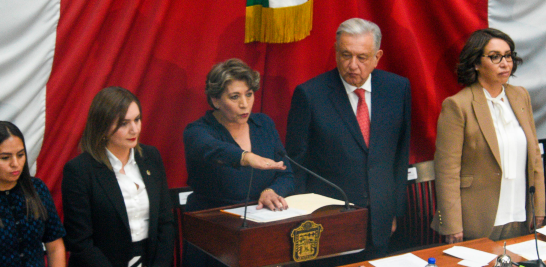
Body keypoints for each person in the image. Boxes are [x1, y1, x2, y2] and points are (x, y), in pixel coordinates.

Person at [286, 18, 411, 265]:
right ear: (335, 52)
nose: (352, 65)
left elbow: (399, 155)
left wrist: (394, 210)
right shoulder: (310, 95)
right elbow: (296, 164)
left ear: (378, 56)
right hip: (327, 223)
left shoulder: (398, 88)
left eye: (362, 57)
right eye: (345, 55)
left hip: (381, 220)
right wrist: (300, 222)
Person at [431, 28, 545, 243]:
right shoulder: (458, 105)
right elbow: (447, 171)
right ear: (475, 63)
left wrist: (539, 206)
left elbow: (535, 158)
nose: (505, 63)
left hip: (520, 213)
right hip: (477, 219)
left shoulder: (520, 96)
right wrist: (452, 224)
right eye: (495, 57)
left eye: (508, 55)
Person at [183, 58, 295, 266]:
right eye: (235, 97)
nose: (244, 104)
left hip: (259, 231)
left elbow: (285, 173)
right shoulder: (197, 131)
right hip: (214, 236)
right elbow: (212, 149)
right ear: (215, 100)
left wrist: (272, 191)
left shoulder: (264, 124)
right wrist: (246, 157)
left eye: (249, 94)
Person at [62, 87, 174, 267]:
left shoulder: (151, 157)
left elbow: (165, 222)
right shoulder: (79, 171)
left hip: (150, 258)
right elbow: (80, 242)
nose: (134, 129)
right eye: (124, 123)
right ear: (102, 126)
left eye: (137, 119)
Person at [0, 121, 66, 267]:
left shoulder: (37, 188)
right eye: (5, 157)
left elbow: (55, 245)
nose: (15, 163)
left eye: (20, 155)